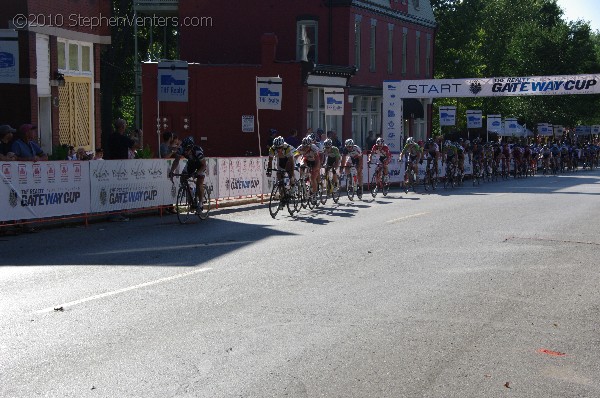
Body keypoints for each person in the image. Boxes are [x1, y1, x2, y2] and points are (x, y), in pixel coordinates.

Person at [168, 136, 207, 210]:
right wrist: (172, 171)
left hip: (200, 165)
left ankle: (201, 203)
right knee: (183, 179)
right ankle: (191, 192)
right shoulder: (181, 149)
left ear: (191, 148)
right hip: (191, 164)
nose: (186, 152)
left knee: (199, 183)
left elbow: (204, 165)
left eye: (188, 149)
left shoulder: (197, 151)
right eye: (185, 149)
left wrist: (197, 173)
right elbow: (176, 161)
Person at [295, 136, 322, 201]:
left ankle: (314, 194)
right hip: (306, 159)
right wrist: (295, 164)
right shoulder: (300, 148)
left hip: (315, 161)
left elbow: (318, 161)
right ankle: (303, 179)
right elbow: (295, 156)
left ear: (310, 145)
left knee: (313, 178)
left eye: (307, 147)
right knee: (302, 165)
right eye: (304, 146)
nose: (305, 148)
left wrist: (315, 168)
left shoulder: (314, 148)